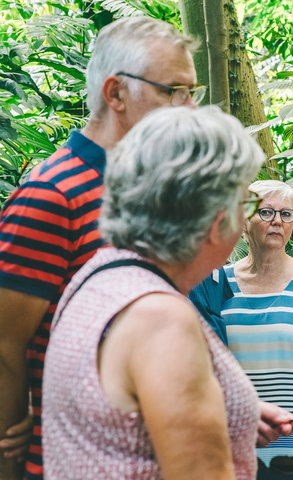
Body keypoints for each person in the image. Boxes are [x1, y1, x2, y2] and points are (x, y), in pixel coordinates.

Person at [0, 16, 205, 480]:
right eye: (174, 91)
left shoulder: (149, 189)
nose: (189, 108)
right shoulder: (53, 195)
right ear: (116, 95)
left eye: (194, 91)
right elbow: (4, 344)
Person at [41, 105, 290, 478]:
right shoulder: (161, 319)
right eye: (247, 203)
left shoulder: (101, 270)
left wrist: (226, 411)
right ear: (215, 219)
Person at [191, 180, 293, 479]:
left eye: (286, 214)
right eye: (265, 212)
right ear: (243, 221)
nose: (277, 221)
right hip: (238, 433)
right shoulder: (215, 282)